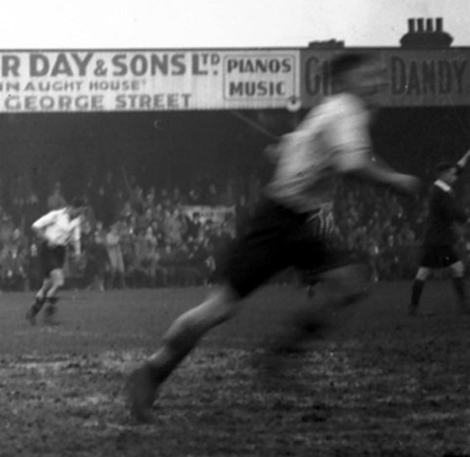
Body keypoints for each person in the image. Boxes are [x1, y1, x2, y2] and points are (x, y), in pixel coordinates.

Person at [124, 52, 420, 423]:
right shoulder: (346, 110)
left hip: (302, 219)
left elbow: (303, 149)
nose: (377, 81)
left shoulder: (332, 110)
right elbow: (352, 165)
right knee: (220, 309)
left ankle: (281, 354)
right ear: (345, 80)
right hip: (278, 220)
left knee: (349, 284)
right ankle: (151, 373)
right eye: (368, 75)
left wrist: (288, 149)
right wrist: (398, 181)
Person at [408, 159, 469, 316]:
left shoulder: (439, 188)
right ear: (442, 174)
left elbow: (457, 168)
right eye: (449, 173)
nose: (452, 175)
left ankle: (413, 308)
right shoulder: (439, 192)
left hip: (434, 239)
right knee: (457, 268)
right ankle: (463, 306)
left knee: (424, 273)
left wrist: (467, 156)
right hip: (440, 240)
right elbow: (451, 212)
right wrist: (466, 218)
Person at [25, 200, 83, 325]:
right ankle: (49, 315)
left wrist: (77, 252)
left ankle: (32, 312)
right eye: (79, 211)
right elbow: (35, 226)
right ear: (71, 207)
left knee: (47, 285)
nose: (80, 214)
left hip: (60, 251)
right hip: (48, 249)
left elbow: (76, 238)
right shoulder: (56, 215)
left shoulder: (77, 220)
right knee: (59, 281)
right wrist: (47, 239)